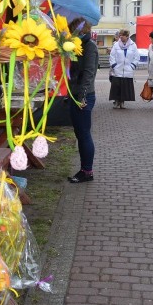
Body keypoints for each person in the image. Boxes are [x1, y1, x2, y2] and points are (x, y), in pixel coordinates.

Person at [67, 17, 98, 183]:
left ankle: (87, 171)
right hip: (75, 94)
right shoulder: (78, 46)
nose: (71, 34)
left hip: (83, 96)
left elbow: (89, 73)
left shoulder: (89, 46)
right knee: (80, 134)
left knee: (84, 134)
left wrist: (82, 96)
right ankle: (85, 169)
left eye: (74, 30)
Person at [108, 29, 137, 109]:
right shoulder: (116, 45)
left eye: (122, 36)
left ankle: (122, 102)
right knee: (116, 87)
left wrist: (132, 66)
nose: (120, 37)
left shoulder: (133, 45)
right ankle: (117, 101)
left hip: (128, 70)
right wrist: (114, 66)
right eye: (120, 35)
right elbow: (112, 56)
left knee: (125, 88)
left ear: (127, 36)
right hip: (118, 70)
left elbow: (136, 57)